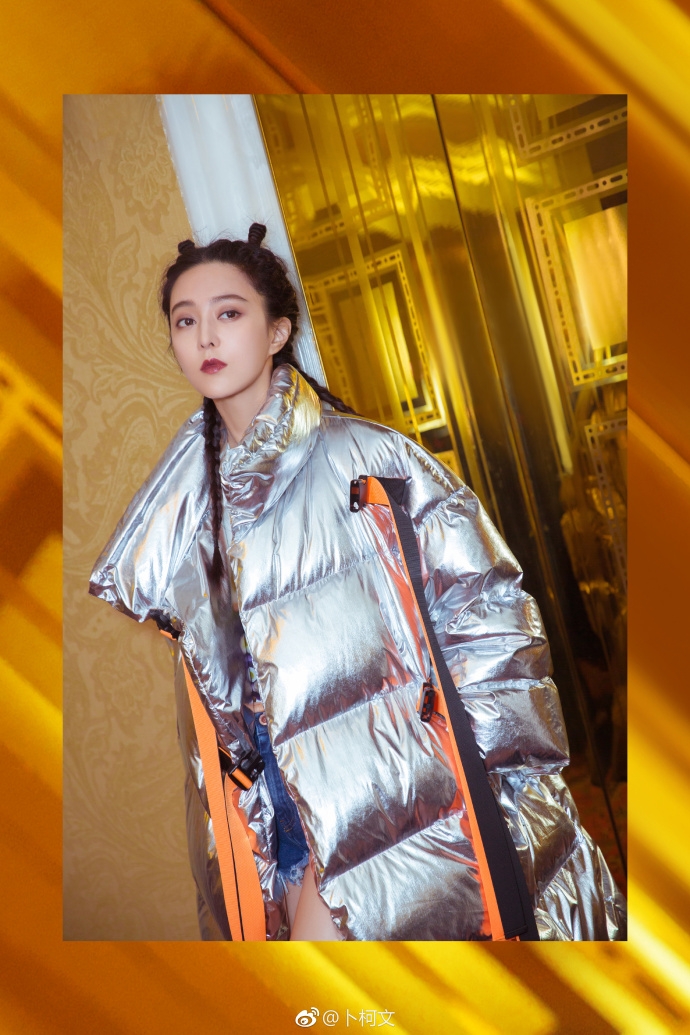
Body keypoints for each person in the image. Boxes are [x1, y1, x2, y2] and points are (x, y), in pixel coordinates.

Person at [89, 224, 627, 941]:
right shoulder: (184, 511)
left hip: (396, 792)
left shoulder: (368, 462)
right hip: (279, 813)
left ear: (278, 331)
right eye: (185, 321)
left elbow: (489, 614)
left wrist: (500, 781)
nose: (205, 336)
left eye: (229, 312)